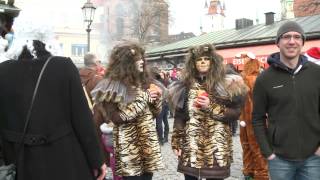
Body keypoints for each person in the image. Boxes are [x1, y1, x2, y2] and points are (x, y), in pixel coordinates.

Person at [0, 14, 106, 180]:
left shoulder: (2, 71)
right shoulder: (63, 67)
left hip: (19, 164)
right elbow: (82, 120)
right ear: (46, 36)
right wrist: (96, 160)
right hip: (64, 162)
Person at [252, 21, 320, 180]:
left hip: (314, 158)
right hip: (279, 160)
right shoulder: (264, 79)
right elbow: (257, 118)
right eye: (286, 37)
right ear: (277, 42)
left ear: (302, 42)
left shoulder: (317, 73)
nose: (291, 41)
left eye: (297, 37)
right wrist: (268, 153)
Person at [169, 44, 247, 180]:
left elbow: (235, 113)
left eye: (207, 59)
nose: (203, 62)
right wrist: (176, 141)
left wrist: (211, 106)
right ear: (193, 64)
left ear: (213, 62)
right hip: (191, 146)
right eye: (199, 59)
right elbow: (180, 116)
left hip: (216, 147)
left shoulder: (226, 84)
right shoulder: (185, 86)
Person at [91, 42, 164, 180]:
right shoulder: (112, 87)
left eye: (142, 57)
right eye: (137, 58)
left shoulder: (144, 83)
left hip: (147, 146)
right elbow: (117, 118)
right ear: (126, 62)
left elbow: (154, 114)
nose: (142, 61)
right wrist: (144, 98)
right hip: (129, 151)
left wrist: (156, 100)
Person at [239, 53, 269, 180]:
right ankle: (261, 174)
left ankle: (248, 171)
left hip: (243, 120)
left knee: (246, 146)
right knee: (258, 147)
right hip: (255, 119)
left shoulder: (241, 80)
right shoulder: (257, 79)